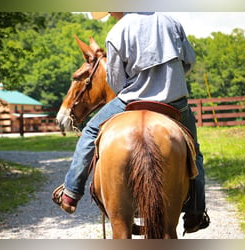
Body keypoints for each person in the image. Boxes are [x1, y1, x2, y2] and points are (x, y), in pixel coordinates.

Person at [52, 12, 210, 234]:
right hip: (174, 101)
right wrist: (168, 82)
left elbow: (116, 81)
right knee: (193, 151)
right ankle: (195, 211)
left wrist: (138, 88)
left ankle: (71, 192)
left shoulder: (118, 30)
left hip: (131, 100)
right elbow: (188, 62)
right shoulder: (171, 22)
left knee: (90, 131)